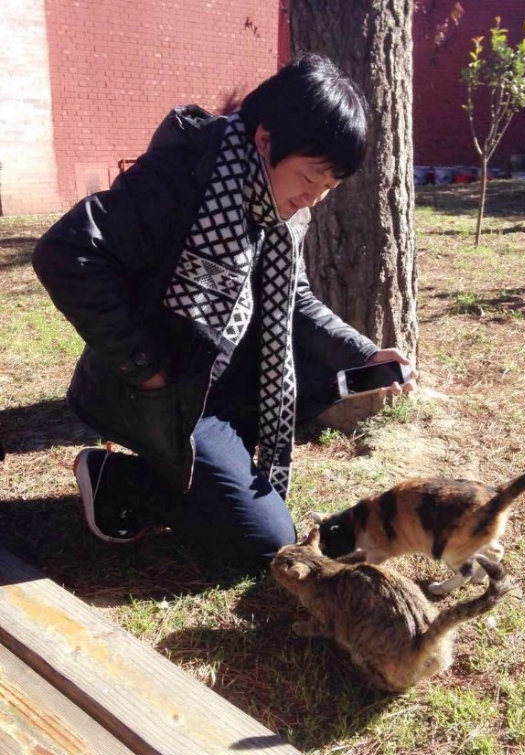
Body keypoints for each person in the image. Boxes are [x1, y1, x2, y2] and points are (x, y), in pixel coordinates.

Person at [33, 53, 416, 574]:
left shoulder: (280, 206)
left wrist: (365, 353)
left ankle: (178, 472)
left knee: (264, 488)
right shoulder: (181, 178)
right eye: (310, 178)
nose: (312, 199)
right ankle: (114, 479)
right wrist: (145, 368)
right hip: (158, 388)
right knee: (266, 545)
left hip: (216, 383)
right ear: (265, 139)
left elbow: (297, 300)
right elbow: (66, 252)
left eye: (328, 189)